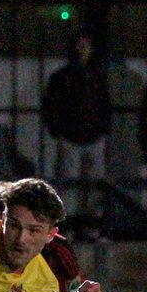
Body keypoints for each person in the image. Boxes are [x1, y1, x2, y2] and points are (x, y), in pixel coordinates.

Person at [41, 30, 113, 223]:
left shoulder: (67, 76)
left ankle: (78, 223)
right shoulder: (95, 76)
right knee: (80, 186)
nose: (82, 50)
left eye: (85, 46)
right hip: (81, 136)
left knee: (82, 186)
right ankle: (80, 223)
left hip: (81, 136)